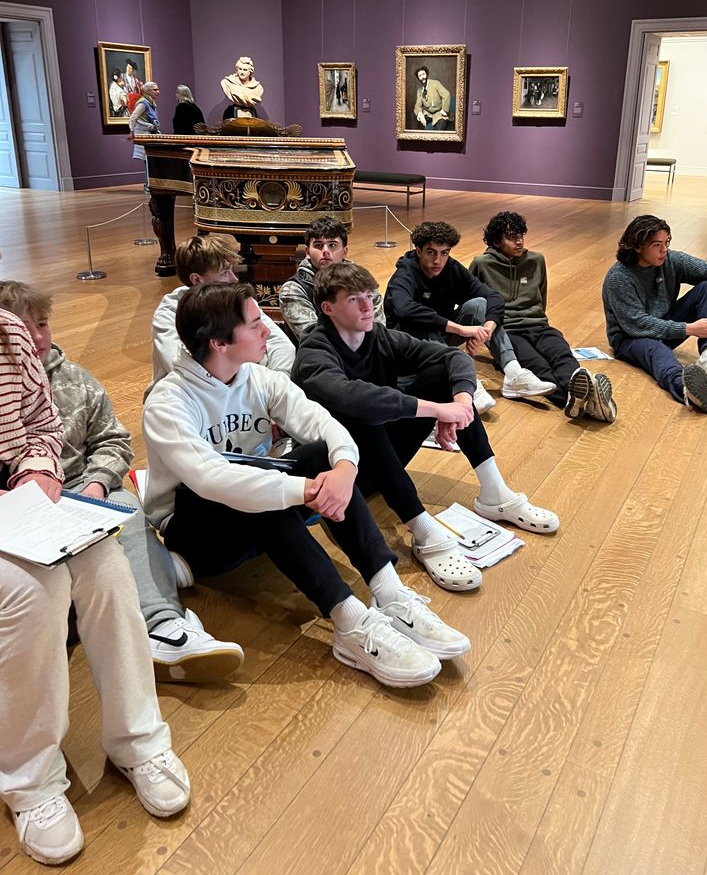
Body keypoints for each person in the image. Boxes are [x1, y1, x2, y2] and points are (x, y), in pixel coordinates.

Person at [143, 282, 471, 688]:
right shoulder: (168, 401)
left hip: (258, 507)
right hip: (197, 534)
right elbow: (215, 480)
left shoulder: (257, 377)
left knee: (322, 453)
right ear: (219, 343)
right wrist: (308, 491)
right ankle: (349, 622)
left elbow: (321, 422)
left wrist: (344, 470)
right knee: (262, 491)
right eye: (254, 324)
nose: (268, 329)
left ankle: (390, 592)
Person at [0, 309, 189, 867]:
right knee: (33, 592)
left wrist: (39, 471)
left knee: (106, 561)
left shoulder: (8, 331)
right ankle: (29, 779)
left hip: (24, 501)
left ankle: (139, 740)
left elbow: (40, 424)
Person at [0, 280, 244, 683]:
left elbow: (112, 440)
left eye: (43, 324)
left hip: (81, 487)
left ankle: (165, 625)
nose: (38, 337)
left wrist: (97, 484)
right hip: (21, 503)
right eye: (24, 329)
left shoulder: (76, 380)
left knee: (128, 512)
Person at [294, 262, 561, 594]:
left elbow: (453, 358)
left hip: (381, 462)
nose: (367, 307)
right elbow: (352, 398)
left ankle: (495, 492)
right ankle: (422, 529)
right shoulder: (314, 350)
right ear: (327, 308)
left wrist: (461, 403)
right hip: (337, 477)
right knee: (364, 414)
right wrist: (437, 410)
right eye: (353, 300)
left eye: (369, 296)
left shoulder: (377, 336)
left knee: (439, 378)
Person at [384, 220, 557, 412]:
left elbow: (493, 297)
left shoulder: (451, 268)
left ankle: (513, 373)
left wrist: (486, 330)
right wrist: (460, 329)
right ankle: (467, 384)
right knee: (425, 321)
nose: (438, 261)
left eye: (444, 253)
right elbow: (404, 309)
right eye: (431, 252)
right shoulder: (405, 273)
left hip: (441, 339)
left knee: (480, 304)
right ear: (418, 251)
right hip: (407, 344)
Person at [469, 211, 616, 422]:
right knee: (538, 367)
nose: (518, 242)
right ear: (496, 241)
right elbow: (472, 299)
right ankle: (579, 402)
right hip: (509, 331)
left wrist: (539, 319)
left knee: (563, 356)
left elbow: (541, 297)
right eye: (511, 237)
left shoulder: (536, 260)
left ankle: (586, 396)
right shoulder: (482, 263)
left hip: (539, 325)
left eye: (520, 235)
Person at [602, 214, 707, 413]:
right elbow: (637, 324)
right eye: (657, 245)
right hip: (629, 337)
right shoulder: (619, 278)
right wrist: (689, 328)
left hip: (664, 323)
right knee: (658, 351)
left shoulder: (670, 260)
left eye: (666, 243)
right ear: (638, 246)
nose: (664, 250)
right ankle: (685, 388)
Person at [149, 233, 295, 392]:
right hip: (188, 399)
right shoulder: (169, 313)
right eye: (224, 273)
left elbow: (282, 345)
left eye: (232, 270)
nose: (234, 279)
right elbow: (180, 367)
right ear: (197, 280)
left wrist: (275, 388)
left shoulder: (239, 301)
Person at [278, 215, 384, 341]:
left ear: (345, 251)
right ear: (307, 251)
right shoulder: (293, 289)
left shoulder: (362, 281)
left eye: (332, 245)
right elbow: (315, 339)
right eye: (318, 245)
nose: (325, 251)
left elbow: (378, 332)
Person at [129, 81, 160, 163]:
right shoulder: (143, 103)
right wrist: (132, 131)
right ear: (148, 91)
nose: (158, 92)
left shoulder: (151, 102)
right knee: (148, 162)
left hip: (151, 134)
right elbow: (133, 118)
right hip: (145, 134)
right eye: (155, 90)